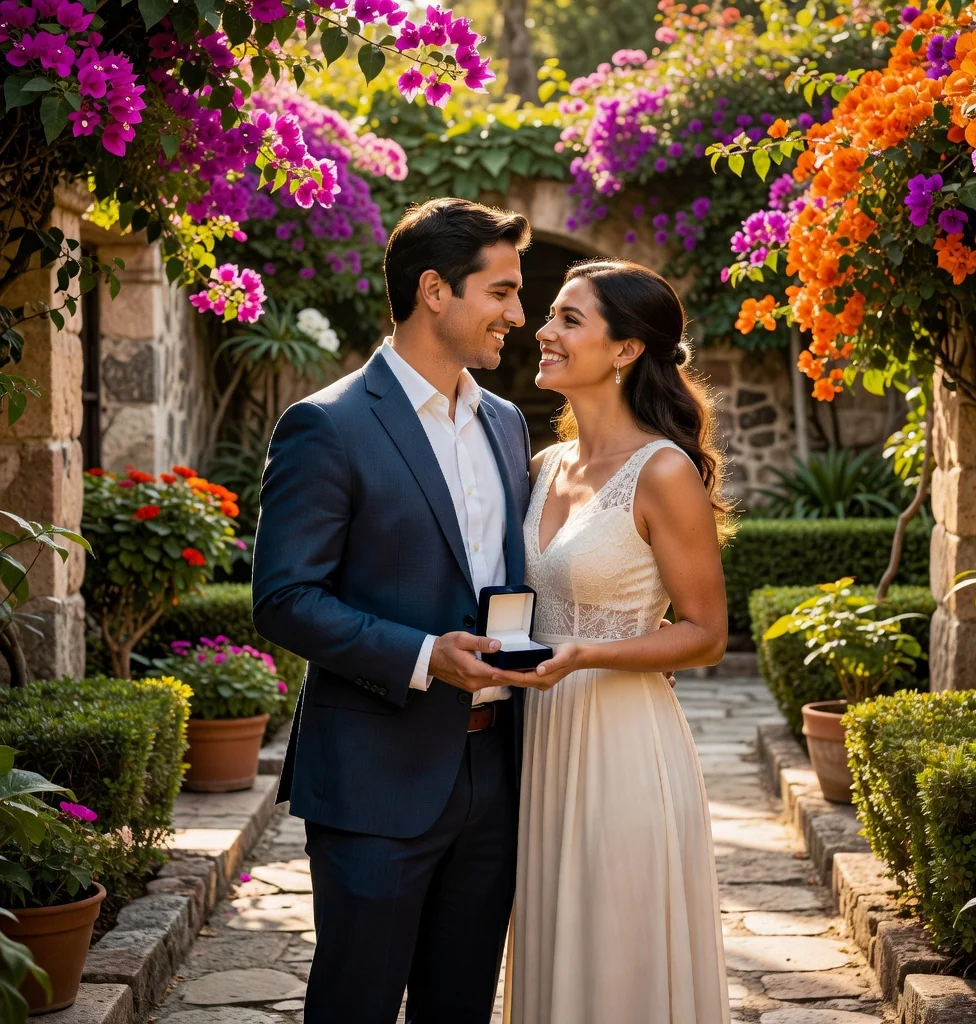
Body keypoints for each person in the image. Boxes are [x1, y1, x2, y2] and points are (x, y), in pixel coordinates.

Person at [251, 197, 536, 1024]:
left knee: (462, 1009)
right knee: (357, 1006)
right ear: (435, 291)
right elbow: (284, 599)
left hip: (495, 773)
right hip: (375, 776)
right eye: (502, 292)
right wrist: (424, 657)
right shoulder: (327, 425)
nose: (518, 316)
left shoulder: (508, 425)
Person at [493, 258, 733, 1024]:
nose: (543, 330)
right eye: (551, 315)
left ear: (627, 349)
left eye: (569, 319)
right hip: (538, 740)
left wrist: (589, 654)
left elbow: (706, 635)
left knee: (617, 951)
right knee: (553, 943)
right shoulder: (541, 465)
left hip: (623, 745)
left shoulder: (663, 472)